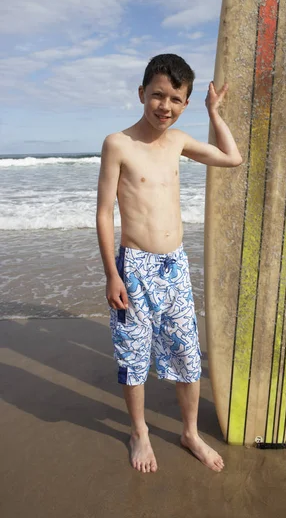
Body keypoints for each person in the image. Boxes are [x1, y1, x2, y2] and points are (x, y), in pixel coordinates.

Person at [96, 53, 242, 474]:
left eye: (176, 99)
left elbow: (231, 157)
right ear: (142, 93)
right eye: (158, 95)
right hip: (134, 268)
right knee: (134, 355)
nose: (165, 106)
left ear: (185, 104)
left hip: (174, 267)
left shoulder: (178, 141)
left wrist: (215, 113)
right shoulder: (118, 143)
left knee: (186, 355)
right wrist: (112, 274)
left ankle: (190, 432)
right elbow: (105, 211)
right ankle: (139, 431)